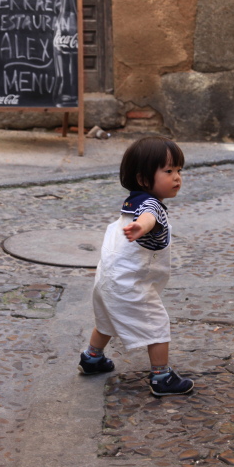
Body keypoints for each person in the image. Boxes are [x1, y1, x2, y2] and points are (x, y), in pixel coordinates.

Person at [78, 136, 194, 397]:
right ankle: (161, 377)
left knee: (105, 321)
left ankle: (92, 358)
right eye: (168, 171)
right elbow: (149, 218)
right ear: (143, 179)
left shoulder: (133, 201)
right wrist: (141, 227)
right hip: (130, 283)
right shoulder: (151, 205)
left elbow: (143, 215)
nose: (177, 177)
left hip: (107, 279)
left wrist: (139, 225)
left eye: (179, 170)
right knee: (157, 326)